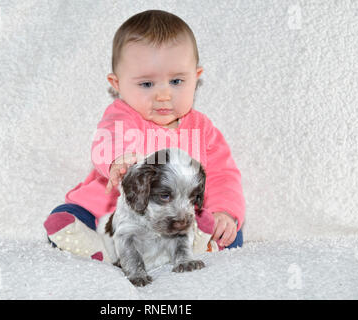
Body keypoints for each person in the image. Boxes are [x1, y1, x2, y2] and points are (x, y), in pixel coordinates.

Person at [43, 10, 245, 262]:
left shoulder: (202, 128)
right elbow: (108, 140)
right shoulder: (123, 116)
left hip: (177, 219)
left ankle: (199, 243)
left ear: (196, 77)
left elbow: (223, 175)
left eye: (177, 81)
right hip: (107, 213)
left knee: (229, 233)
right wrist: (119, 159)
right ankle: (101, 247)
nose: (163, 95)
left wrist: (225, 211)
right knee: (66, 216)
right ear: (116, 85)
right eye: (147, 84)